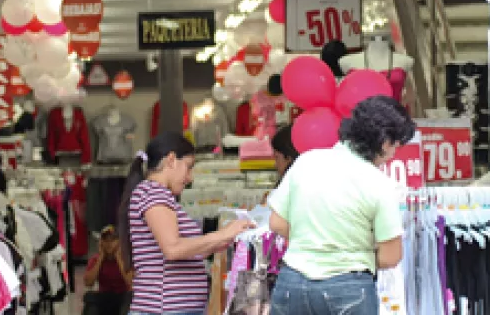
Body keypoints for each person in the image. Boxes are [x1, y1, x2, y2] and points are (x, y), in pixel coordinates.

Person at [268, 95, 415, 315]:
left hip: (292, 284)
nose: (394, 154)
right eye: (396, 145)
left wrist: (314, 238)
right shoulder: (380, 184)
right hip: (349, 287)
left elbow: (277, 223)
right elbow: (389, 257)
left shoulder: (307, 161)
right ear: (384, 143)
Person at [117, 132, 254, 315]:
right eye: (188, 167)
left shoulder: (157, 195)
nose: (189, 178)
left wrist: (226, 239)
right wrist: (222, 234)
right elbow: (173, 248)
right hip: (163, 308)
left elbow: (190, 250)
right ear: (171, 160)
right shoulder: (154, 194)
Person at [83, 225, 133, 315]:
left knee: (130, 297)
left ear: (118, 242)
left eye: (112, 240)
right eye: (106, 240)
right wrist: (101, 257)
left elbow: (130, 282)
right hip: (104, 296)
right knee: (89, 297)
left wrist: (118, 258)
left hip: (122, 297)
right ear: (101, 242)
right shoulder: (95, 259)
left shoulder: (126, 259)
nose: (109, 243)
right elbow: (88, 283)